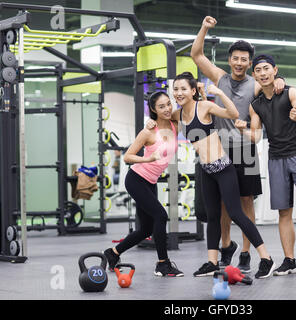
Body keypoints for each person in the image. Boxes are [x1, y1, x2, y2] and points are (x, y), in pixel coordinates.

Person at [190, 16, 285, 272]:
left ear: (250, 63)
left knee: (245, 203)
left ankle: (245, 251)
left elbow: (273, 85)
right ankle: (226, 245)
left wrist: (280, 80)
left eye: (245, 59)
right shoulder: (219, 77)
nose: (240, 63)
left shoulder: (255, 83)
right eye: (236, 58)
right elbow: (196, 54)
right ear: (229, 59)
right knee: (221, 205)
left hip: (245, 150)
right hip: (217, 151)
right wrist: (205, 28)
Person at [164, 72, 275, 278]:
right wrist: (152, 123)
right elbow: (161, 118)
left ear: (193, 90)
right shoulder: (177, 115)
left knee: (236, 213)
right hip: (206, 171)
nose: (179, 93)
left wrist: (220, 93)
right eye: (176, 89)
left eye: (183, 89)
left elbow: (233, 114)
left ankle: (266, 258)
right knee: (213, 217)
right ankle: (212, 262)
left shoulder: (204, 107)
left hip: (223, 168)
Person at [235, 54, 296, 276]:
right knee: (284, 212)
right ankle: (289, 260)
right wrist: (242, 129)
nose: (263, 73)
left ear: (275, 70)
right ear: (254, 75)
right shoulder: (256, 105)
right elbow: (255, 137)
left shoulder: (291, 92)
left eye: (266, 69)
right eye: (258, 70)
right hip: (275, 159)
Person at [103, 91, 184, 277]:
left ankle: (113, 253)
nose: (166, 108)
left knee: (146, 229)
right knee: (161, 216)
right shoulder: (148, 131)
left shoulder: (175, 125)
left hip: (151, 182)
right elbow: (127, 157)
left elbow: (189, 108)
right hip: (137, 179)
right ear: (153, 110)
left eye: (168, 104)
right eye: (161, 106)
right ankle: (163, 264)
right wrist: (148, 159)